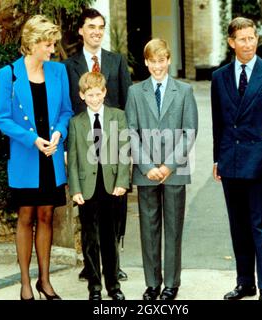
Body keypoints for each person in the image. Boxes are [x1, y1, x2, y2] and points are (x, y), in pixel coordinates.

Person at [211, 17, 262, 301]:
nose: (248, 44)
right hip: (231, 162)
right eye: (242, 39)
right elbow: (218, 123)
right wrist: (216, 160)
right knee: (239, 227)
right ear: (231, 42)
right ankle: (244, 282)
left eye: (252, 38)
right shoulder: (219, 77)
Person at [0, 15, 73, 300]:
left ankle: (45, 281)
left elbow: (65, 111)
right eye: (49, 44)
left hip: (51, 156)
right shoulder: (9, 74)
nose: (53, 50)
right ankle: (26, 284)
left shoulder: (58, 72)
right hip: (25, 157)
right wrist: (33, 140)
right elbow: (1, 118)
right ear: (33, 43)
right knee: (26, 216)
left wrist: (58, 135)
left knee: (47, 214)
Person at [125, 38, 198, 300]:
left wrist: (168, 165)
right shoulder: (135, 93)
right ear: (146, 62)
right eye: (152, 61)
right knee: (149, 227)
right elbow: (131, 132)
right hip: (146, 172)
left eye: (162, 61)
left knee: (173, 227)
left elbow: (190, 131)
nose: (157, 66)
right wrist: (146, 166)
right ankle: (152, 283)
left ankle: (171, 283)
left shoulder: (184, 91)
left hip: (175, 170)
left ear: (169, 60)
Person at [63, 8, 132, 282]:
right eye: (91, 26)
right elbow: (67, 108)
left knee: (115, 209)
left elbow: (127, 104)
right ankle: (90, 264)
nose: (97, 31)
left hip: (113, 145)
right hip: (84, 145)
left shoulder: (117, 62)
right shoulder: (69, 66)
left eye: (101, 26)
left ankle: (114, 264)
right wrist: (69, 147)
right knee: (89, 210)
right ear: (81, 30)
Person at [67, 72, 130, 300]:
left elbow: (124, 151)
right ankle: (94, 287)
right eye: (89, 95)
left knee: (109, 237)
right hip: (87, 188)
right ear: (82, 96)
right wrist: (75, 189)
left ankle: (113, 286)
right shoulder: (76, 123)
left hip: (112, 185)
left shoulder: (118, 117)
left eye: (98, 94)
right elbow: (72, 159)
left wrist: (123, 181)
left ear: (105, 92)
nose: (95, 99)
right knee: (89, 239)